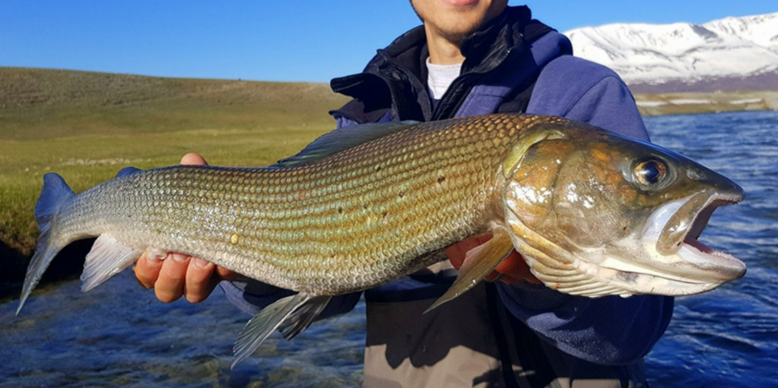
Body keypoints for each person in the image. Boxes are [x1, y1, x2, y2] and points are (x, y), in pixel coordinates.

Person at [134, 1, 673, 387]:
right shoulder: (367, 111)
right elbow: (324, 284)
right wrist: (240, 268)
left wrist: (541, 282)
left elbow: (631, 331)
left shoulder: (578, 94)